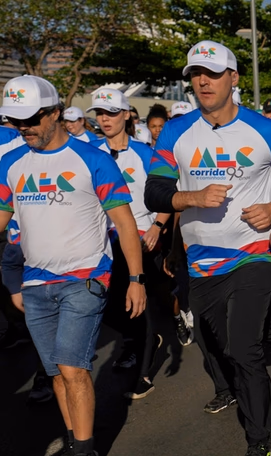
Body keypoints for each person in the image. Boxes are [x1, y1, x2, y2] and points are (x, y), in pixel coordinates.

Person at [145, 40, 271, 456]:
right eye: (196, 74)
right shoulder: (176, 132)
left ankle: (259, 439)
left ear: (233, 78)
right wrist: (191, 197)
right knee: (220, 348)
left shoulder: (268, 131)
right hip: (201, 261)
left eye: (212, 73)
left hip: (253, 254)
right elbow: (154, 192)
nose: (203, 81)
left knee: (243, 348)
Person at [0, 75, 147, 456]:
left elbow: (125, 223)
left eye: (31, 119)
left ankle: (86, 455)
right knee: (57, 375)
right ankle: (73, 442)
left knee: (72, 367)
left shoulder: (93, 160)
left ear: (54, 113)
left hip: (85, 278)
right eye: (16, 120)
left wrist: (135, 279)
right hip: (36, 283)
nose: (24, 128)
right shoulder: (11, 163)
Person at [89, 86, 172, 400]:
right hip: (102, 242)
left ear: (126, 114)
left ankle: (144, 373)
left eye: (111, 112)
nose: (104, 119)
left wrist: (158, 227)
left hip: (140, 239)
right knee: (106, 306)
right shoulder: (89, 152)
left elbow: (167, 194)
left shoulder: (145, 153)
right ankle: (141, 340)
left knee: (141, 305)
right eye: (99, 113)